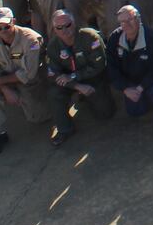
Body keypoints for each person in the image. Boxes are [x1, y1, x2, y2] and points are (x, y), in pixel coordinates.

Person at [0, 6, 48, 155]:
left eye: (6, 26)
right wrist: (5, 89)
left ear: (14, 22)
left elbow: (29, 73)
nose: (3, 31)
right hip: (7, 79)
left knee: (38, 118)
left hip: (31, 81)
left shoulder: (31, 39)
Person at [43, 9, 113, 147]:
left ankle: (89, 99)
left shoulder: (90, 37)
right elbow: (53, 75)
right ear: (54, 29)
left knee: (106, 113)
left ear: (74, 23)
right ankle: (65, 129)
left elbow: (99, 66)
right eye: (59, 27)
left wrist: (73, 76)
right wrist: (76, 85)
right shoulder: (53, 47)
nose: (64, 30)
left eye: (68, 25)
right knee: (54, 93)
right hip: (70, 82)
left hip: (93, 77)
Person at [107, 5, 153, 139]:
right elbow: (111, 68)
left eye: (130, 20)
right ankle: (145, 99)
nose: (126, 24)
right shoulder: (114, 38)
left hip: (152, 80)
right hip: (130, 82)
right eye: (122, 22)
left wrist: (141, 88)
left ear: (138, 20)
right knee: (135, 112)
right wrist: (125, 88)